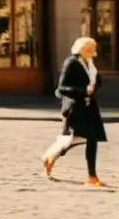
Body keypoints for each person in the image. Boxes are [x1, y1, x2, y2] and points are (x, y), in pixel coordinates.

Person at [43, 36, 108, 187]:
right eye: (89, 48)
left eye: (93, 48)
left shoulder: (90, 64)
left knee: (92, 139)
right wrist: (83, 90)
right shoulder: (71, 63)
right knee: (71, 139)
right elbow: (62, 88)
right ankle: (50, 156)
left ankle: (92, 176)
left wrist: (93, 90)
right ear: (80, 49)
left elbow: (97, 81)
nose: (92, 51)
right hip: (75, 108)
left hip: (89, 106)